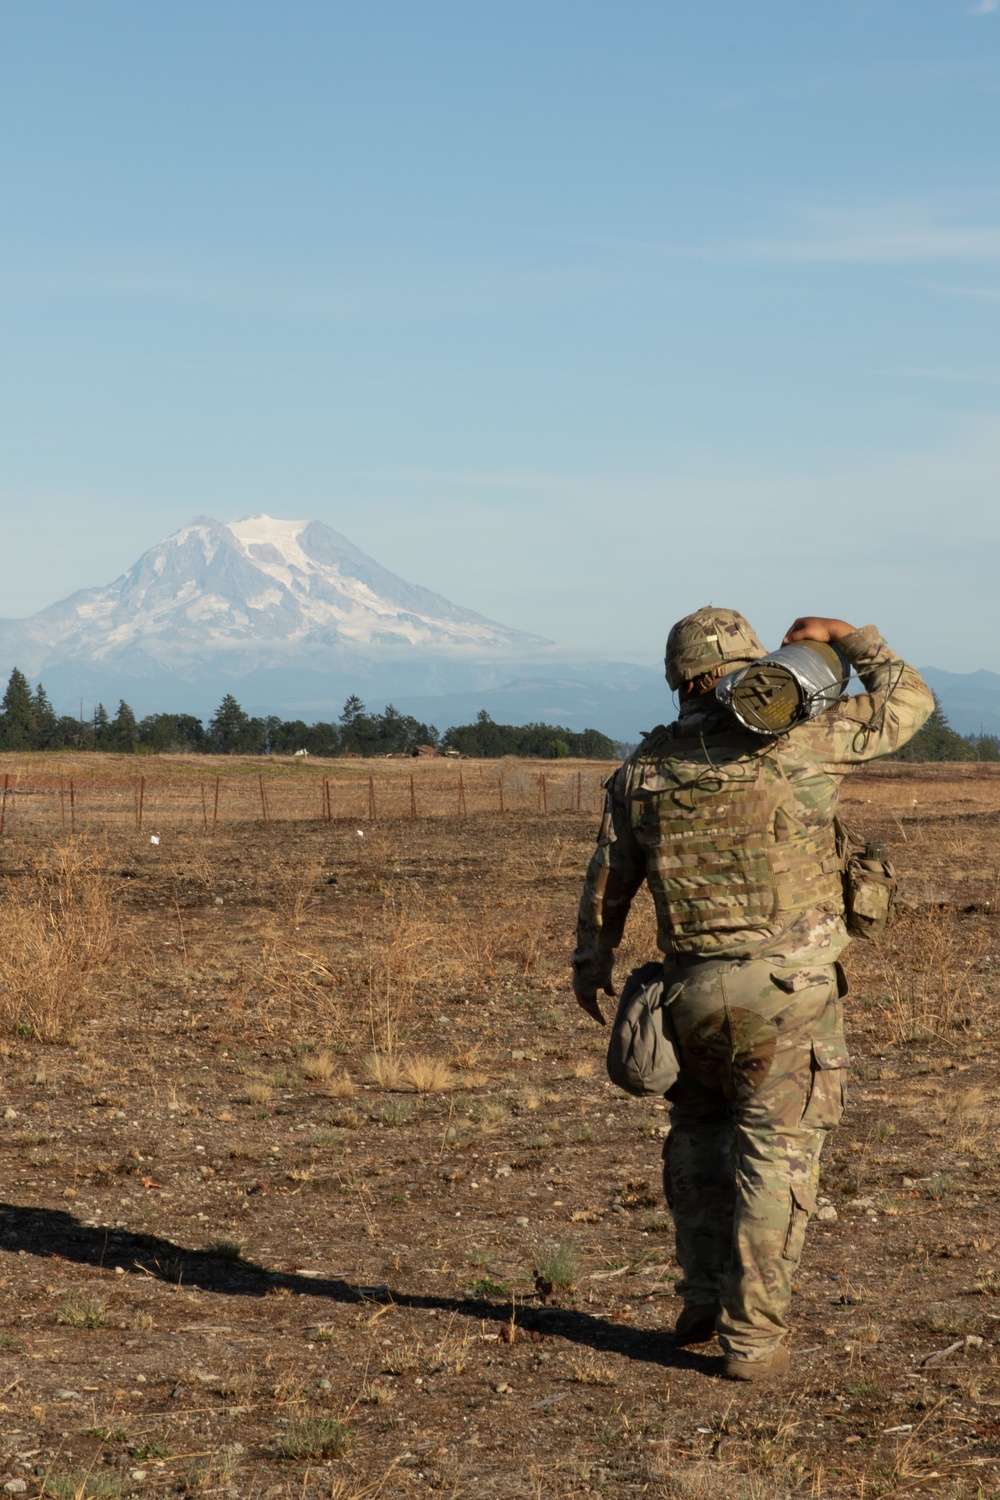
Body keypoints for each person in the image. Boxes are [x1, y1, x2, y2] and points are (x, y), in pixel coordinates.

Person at [571, 610, 933, 1380]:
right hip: (786, 996)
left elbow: (610, 878)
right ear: (750, 666)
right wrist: (851, 637)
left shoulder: (644, 767)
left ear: (677, 678)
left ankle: (702, 1294)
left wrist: (592, 961)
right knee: (776, 1156)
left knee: (699, 1140)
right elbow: (910, 703)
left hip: (688, 995)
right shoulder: (798, 743)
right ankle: (753, 1337)